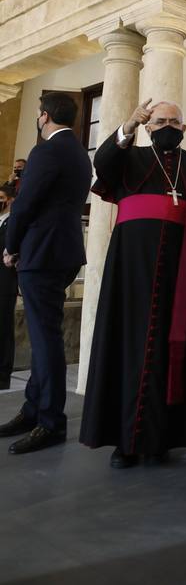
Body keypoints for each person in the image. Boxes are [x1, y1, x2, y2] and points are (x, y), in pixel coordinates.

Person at [80, 100, 186, 468]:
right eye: (159, 121)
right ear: (149, 128)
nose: (166, 126)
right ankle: (124, 439)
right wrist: (128, 125)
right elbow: (101, 164)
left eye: (173, 121)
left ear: (184, 129)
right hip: (130, 272)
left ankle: (163, 438)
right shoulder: (129, 157)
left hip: (178, 271)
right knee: (126, 346)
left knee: (171, 348)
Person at [0, 92, 91, 453]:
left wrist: (10, 246)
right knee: (44, 334)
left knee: (45, 339)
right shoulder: (79, 151)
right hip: (63, 251)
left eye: (39, 114)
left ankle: (50, 421)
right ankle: (33, 408)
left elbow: (24, 204)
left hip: (42, 253)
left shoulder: (47, 151)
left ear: (45, 116)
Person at [0, 184, 18, 389]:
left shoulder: (13, 222)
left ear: (11, 200)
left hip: (6, 280)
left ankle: (3, 374)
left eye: (2, 197)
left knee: (3, 325)